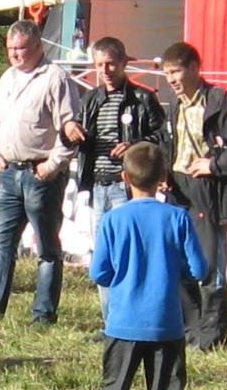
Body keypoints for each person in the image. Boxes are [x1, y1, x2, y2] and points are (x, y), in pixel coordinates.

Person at [87, 142, 207, 390]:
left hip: (121, 325)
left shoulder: (113, 219)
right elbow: (199, 269)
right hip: (166, 325)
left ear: (124, 178)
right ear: (163, 177)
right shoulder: (177, 218)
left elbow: (99, 273)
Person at [0, 19, 80, 324]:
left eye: (21, 48)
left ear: (37, 46)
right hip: (9, 173)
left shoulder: (56, 78)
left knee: (46, 248)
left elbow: (70, 129)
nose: (15, 54)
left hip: (40, 175)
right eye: (10, 48)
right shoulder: (8, 78)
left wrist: (52, 165)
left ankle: (43, 314)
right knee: (0, 243)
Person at [160, 42, 227, 351]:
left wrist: (215, 165)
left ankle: (212, 338)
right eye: (167, 74)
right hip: (177, 190)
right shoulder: (174, 104)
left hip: (207, 190)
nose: (171, 80)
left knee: (208, 265)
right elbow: (168, 145)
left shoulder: (218, 100)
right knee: (179, 264)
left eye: (176, 72)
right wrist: (162, 174)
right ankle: (190, 332)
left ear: (194, 68)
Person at [62, 37, 165, 331]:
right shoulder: (91, 99)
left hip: (127, 187)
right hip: (97, 186)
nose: (105, 71)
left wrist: (135, 146)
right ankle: (111, 322)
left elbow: (162, 138)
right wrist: (69, 130)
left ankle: (132, 316)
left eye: (110, 64)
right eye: (99, 65)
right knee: (103, 255)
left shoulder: (142, 99)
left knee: (128, 254)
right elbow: (71, 139)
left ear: (123, 63)